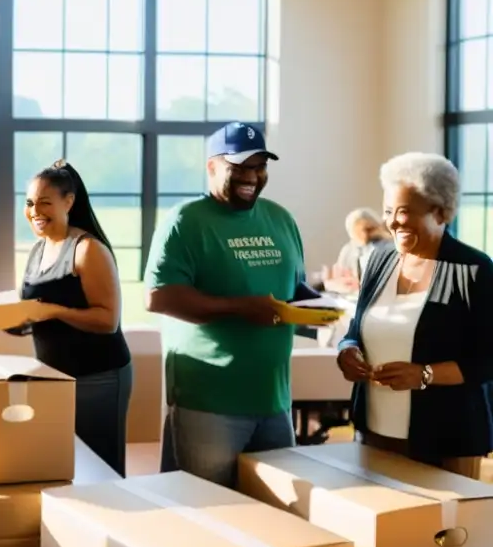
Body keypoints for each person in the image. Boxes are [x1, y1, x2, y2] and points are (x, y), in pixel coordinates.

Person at [145, 122, 315, 487]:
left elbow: (295, 289)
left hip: (274, 397)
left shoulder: (280, 219)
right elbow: (160, 296)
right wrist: (240, 308)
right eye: (239, 167)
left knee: (279, 513)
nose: (251, 176)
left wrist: (332, 310)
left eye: (260, 167)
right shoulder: (186, 221)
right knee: (207, 509)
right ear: (211, 166)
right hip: (208, 400)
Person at [337, 153, 493, 477]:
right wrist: (347, 349)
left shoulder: (473, 269)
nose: (392, 222)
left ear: (440, 211)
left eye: (404, 212)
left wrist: (424, 375)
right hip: (375, 430)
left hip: (448, 436)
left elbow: (486, 360)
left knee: (444, 528)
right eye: (388, 212)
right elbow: (357, 328)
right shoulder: (380, 260)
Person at [15, 160, 132, 476]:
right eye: (29, 203)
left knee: (99, 470)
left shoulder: (87, 249)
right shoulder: (38, 250)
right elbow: (38, 310)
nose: (35, 210)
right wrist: (19, 320)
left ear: (69, 202)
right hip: (56, 380)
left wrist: (53, 311)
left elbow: (108, 320)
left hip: (98, 378)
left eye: (45, 202)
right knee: (65, 467)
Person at [326, 207, 390, 292]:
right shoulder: (348, 251)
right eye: (361, 231)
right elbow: (341, 277)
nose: (365, 235)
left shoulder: (387, 246)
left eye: (369, 229)